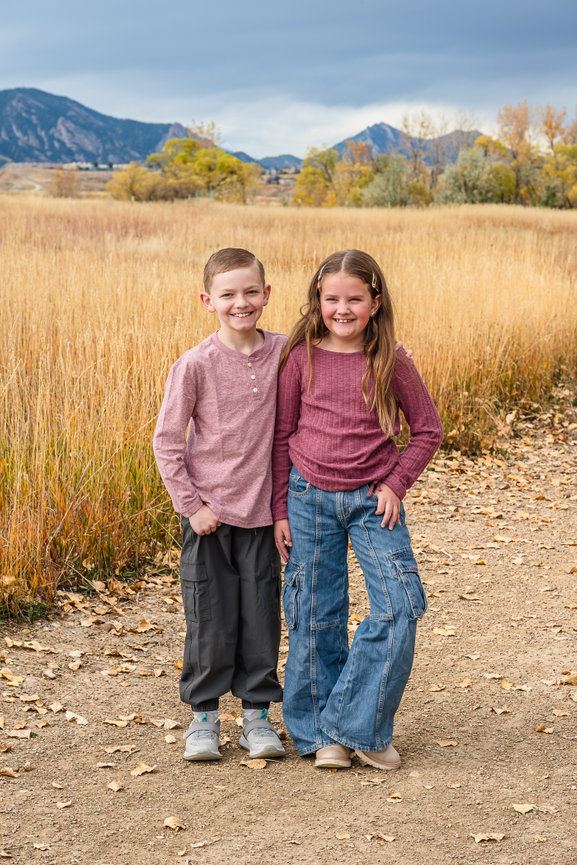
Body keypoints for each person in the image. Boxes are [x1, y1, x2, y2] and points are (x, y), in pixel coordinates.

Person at [272, 249, 443, 771]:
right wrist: (280, 507)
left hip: (374, 501)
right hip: (307, 499)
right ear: (317, 300)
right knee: (315, 615)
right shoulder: (299, 357)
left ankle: (358, 725)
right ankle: (321, 733)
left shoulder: (392, 358)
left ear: (376, 301)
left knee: (400, 604)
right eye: (331, 299)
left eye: (354, 299)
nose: (342, 309)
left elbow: (428, 430)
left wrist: (396, 483)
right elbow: (281, 437)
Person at [153, 247, 287, 762]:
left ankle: (257, 718)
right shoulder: (194, 364)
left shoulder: (284, 351)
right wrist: (191, 506)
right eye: (228, 294)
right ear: (208, 301)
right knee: (210, 620)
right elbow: (167, 441)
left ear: (266, 294)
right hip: (208, 519)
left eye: (251, 291)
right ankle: (203, 720)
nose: (241, 302)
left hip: (261, 518)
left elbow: (339, 343)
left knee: (260, 618)